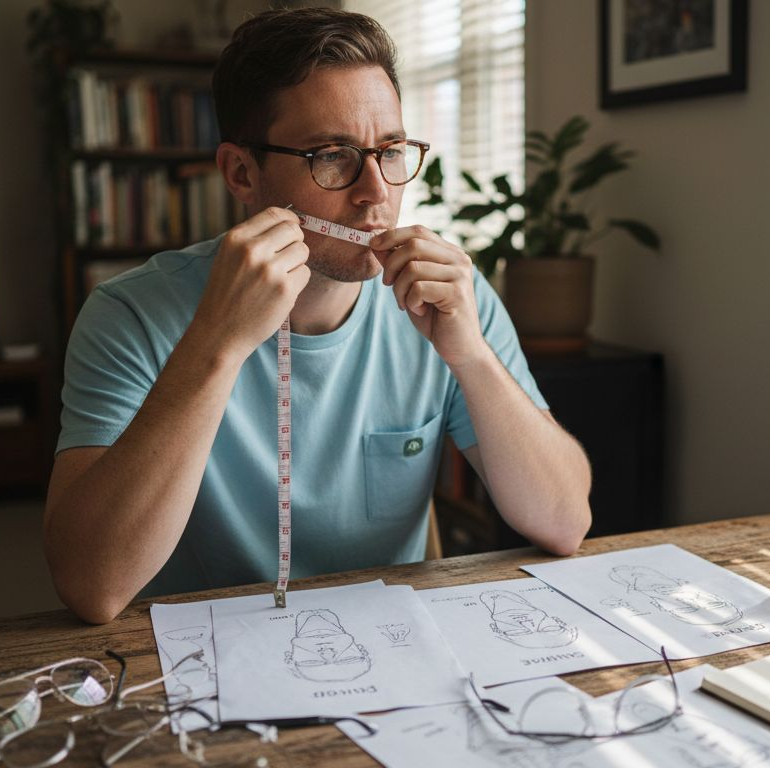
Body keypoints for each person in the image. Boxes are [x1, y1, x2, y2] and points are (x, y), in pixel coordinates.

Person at [43, 8, 592, 624]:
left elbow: (566, 522)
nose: (376, 192)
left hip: (392, 656)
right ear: (241, 172)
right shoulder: (129, 315)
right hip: (190, 665)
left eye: (390, 151)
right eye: (332, 156)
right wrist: (217, 345)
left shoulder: (450, 299)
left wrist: (471, 358)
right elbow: (92, 585)